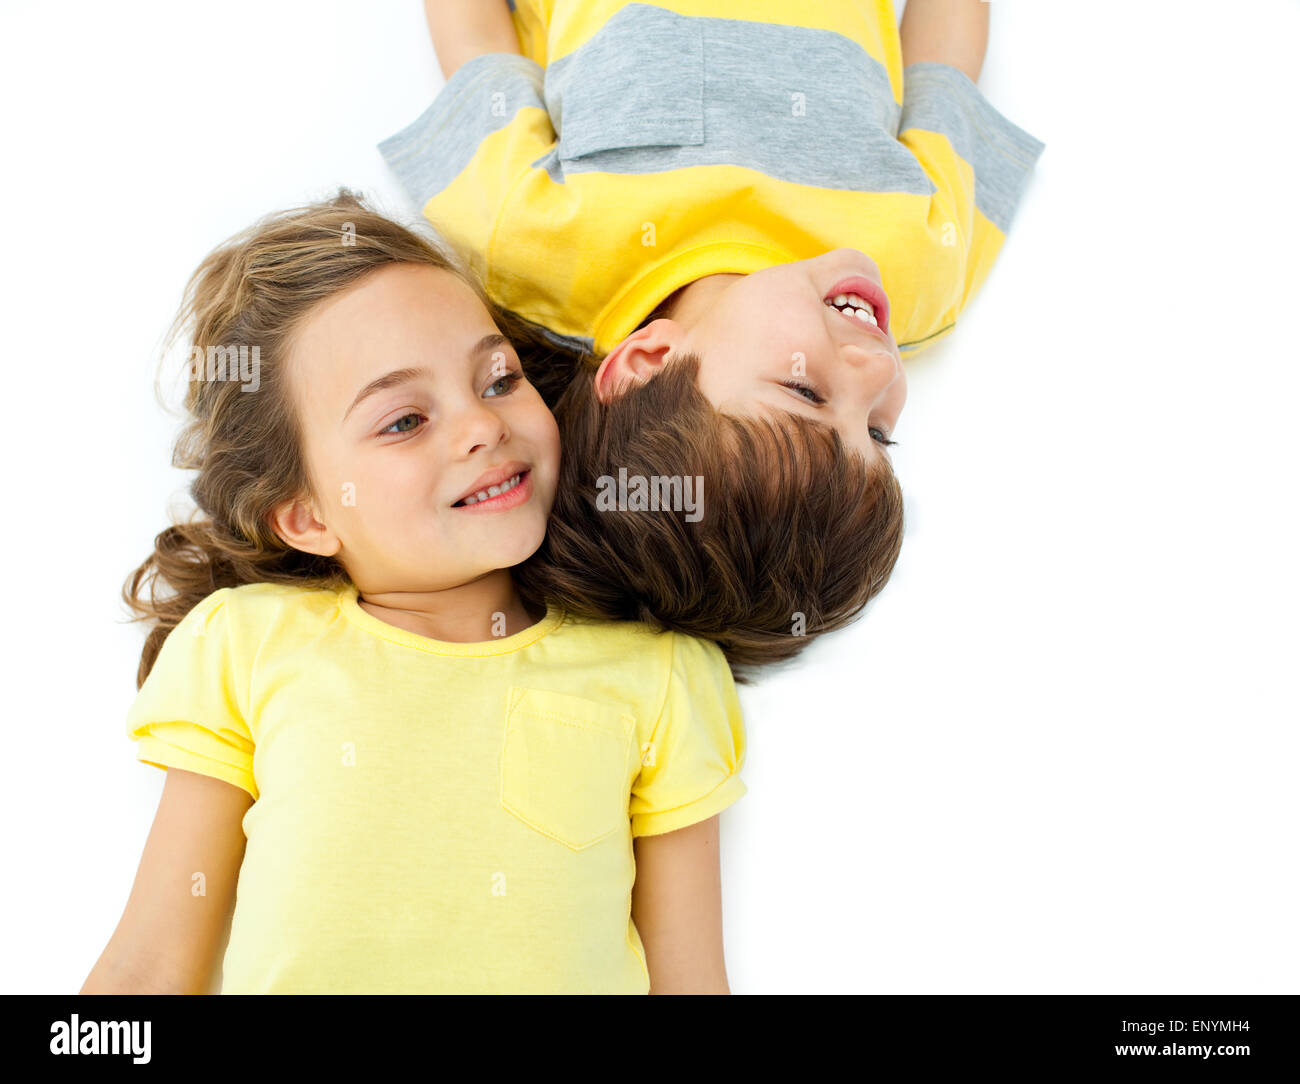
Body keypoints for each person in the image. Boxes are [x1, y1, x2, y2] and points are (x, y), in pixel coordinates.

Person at [80, 190, 747, 995]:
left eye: (497, 378)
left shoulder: (663, 676)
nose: (481, 425)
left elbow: (693, 982)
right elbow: (149, 969)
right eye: (404, 421)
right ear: (306, 515)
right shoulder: (243, 646)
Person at [376, 0, 1045, 674]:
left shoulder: (530, 247)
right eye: (877, 432)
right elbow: (944, 74)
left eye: (806, 391)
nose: (875, 370)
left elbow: (477, 45)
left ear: (648, 362)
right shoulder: (922, 269)